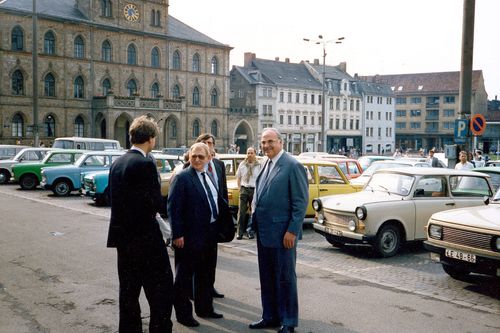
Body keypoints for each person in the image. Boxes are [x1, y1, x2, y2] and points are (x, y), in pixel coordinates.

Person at [107, 115, 173, 333]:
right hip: (146, 240)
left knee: (128, 292)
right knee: (160, 291)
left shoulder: (117, 163)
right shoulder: (145, 163)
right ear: (151, 139)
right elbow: (154, 203)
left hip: (123, 240)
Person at [249, 128, 308, 333]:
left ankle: (289, 321)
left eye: (270, 142)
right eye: (263, 142)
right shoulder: (266, 163)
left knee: (285, 278)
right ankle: (270, 316)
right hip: (265, 233)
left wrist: (292, 231)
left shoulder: (292, 166)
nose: (266, 146)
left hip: (284, 234)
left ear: (281, 142)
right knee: (267, 277)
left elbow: (300, 203)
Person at [168, 142, 226, 327]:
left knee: (206, 274)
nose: (197, 159)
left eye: (202, 156)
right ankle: (184, 315)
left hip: (209, 233)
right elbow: (173, 208)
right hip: (189, 236)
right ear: (189, 157)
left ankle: (205, 308)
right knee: (184, 277)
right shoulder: (182, 177)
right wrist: (177, 234)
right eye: (194, 156)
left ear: (209, 158)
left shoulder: (208, 174)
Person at [235, 147, 262, 240]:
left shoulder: (259, 165)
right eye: (248, 153)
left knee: (253, 211)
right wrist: (239, 188)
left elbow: (261, 179)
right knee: (241, 212)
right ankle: (240, 232)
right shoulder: (242, 164)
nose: (249, 155)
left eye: (251, 153)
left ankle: (250, 231)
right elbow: (238, 177)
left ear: (255, 154)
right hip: (244, 189)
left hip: (254, 189)